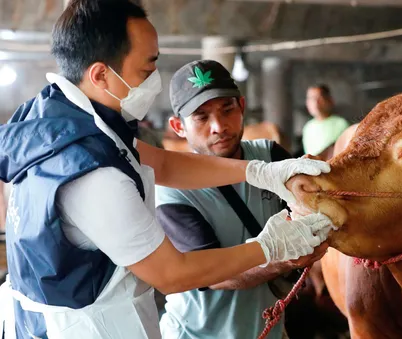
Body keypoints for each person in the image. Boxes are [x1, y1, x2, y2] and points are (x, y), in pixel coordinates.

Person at [0, 1, 334, 338]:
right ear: (100, 75)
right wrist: (271, 247)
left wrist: (259, 172)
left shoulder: (61, 116)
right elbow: (172, 274)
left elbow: (162, 162)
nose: (154, 82)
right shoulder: (92, 176)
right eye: (146, 72)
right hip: (89, 328)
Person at [155, 60, 327, 339]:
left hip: (268, 330)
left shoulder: (271, 156)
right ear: (178, 126)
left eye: (227, 110)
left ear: (242, 107)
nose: (219, 126)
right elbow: (212, 275)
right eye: (201, 117)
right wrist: (281, 259)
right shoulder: (171, 189)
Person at [302, 84, 350, 160]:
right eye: (311, 98)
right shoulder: (307, 127)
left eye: (319, 98)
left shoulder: (341, 124)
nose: (315, 103)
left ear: (330, 100)